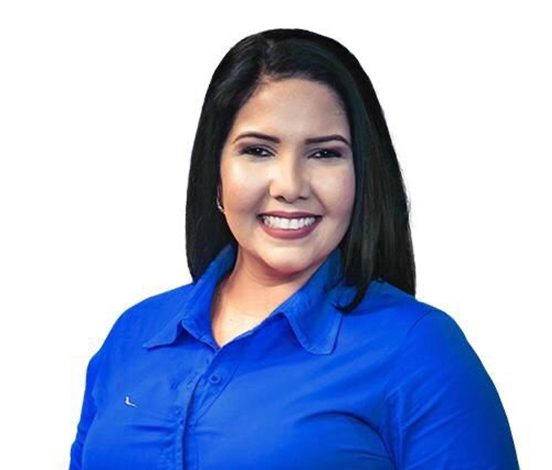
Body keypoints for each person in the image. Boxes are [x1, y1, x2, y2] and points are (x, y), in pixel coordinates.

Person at [69, 28, 520, 469]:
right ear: (216, 173)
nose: (289, 186)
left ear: (362, 176)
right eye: (258, 151)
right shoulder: (134, 334)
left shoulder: (419, 349)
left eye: (324, 154)